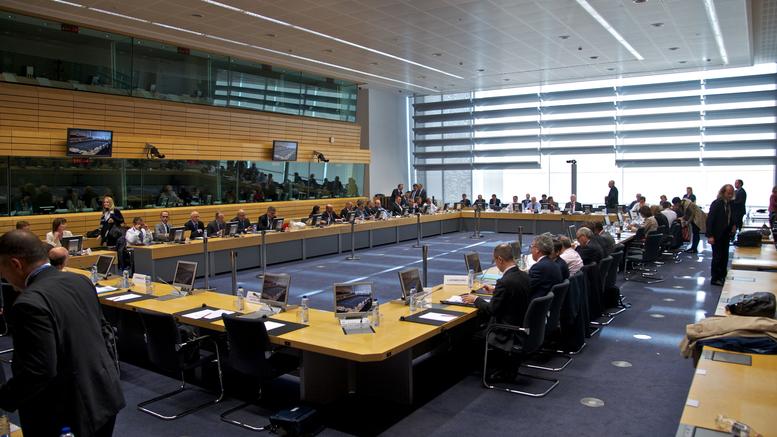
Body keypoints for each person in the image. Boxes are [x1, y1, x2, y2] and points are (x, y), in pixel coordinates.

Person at [0, 231, 125, 436]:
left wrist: (4, 398)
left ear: (15, 264)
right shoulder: (80, 281)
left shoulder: (28, 303)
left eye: (2, 270)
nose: (3, 277)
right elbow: (104, 333)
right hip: (104, 394)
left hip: (66, 412)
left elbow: (39, 370)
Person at [461, 244, 532, 341]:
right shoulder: (524, 275)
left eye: (494, 261)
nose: (496, 265)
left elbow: (492, 309)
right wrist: (496, 290)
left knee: (467, 335)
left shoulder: (504, 282)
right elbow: (515, 291)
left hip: (506, 333)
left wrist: (475, 299)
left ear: (500, 259)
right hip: (521, 327)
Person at [706, 184, 736, 286]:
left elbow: (730, 217)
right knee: (717, 257)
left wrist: (733, 225)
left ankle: (723, 275)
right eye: (728, 193)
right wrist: (710, 235)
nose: (730, 195)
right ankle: (715, 278)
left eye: (731, 193)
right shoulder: (717, 203)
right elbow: (710, 220)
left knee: (724, 256)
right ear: (723, 193)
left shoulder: (730, 204)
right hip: (716, 234)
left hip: (726, 234)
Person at [528, 234, 562, 299]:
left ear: (537, 250)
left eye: (531, 247)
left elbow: (526, 288)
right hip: (550, 302)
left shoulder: (538, 268)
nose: (530, 250)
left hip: (536, 303)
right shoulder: (555, 264)